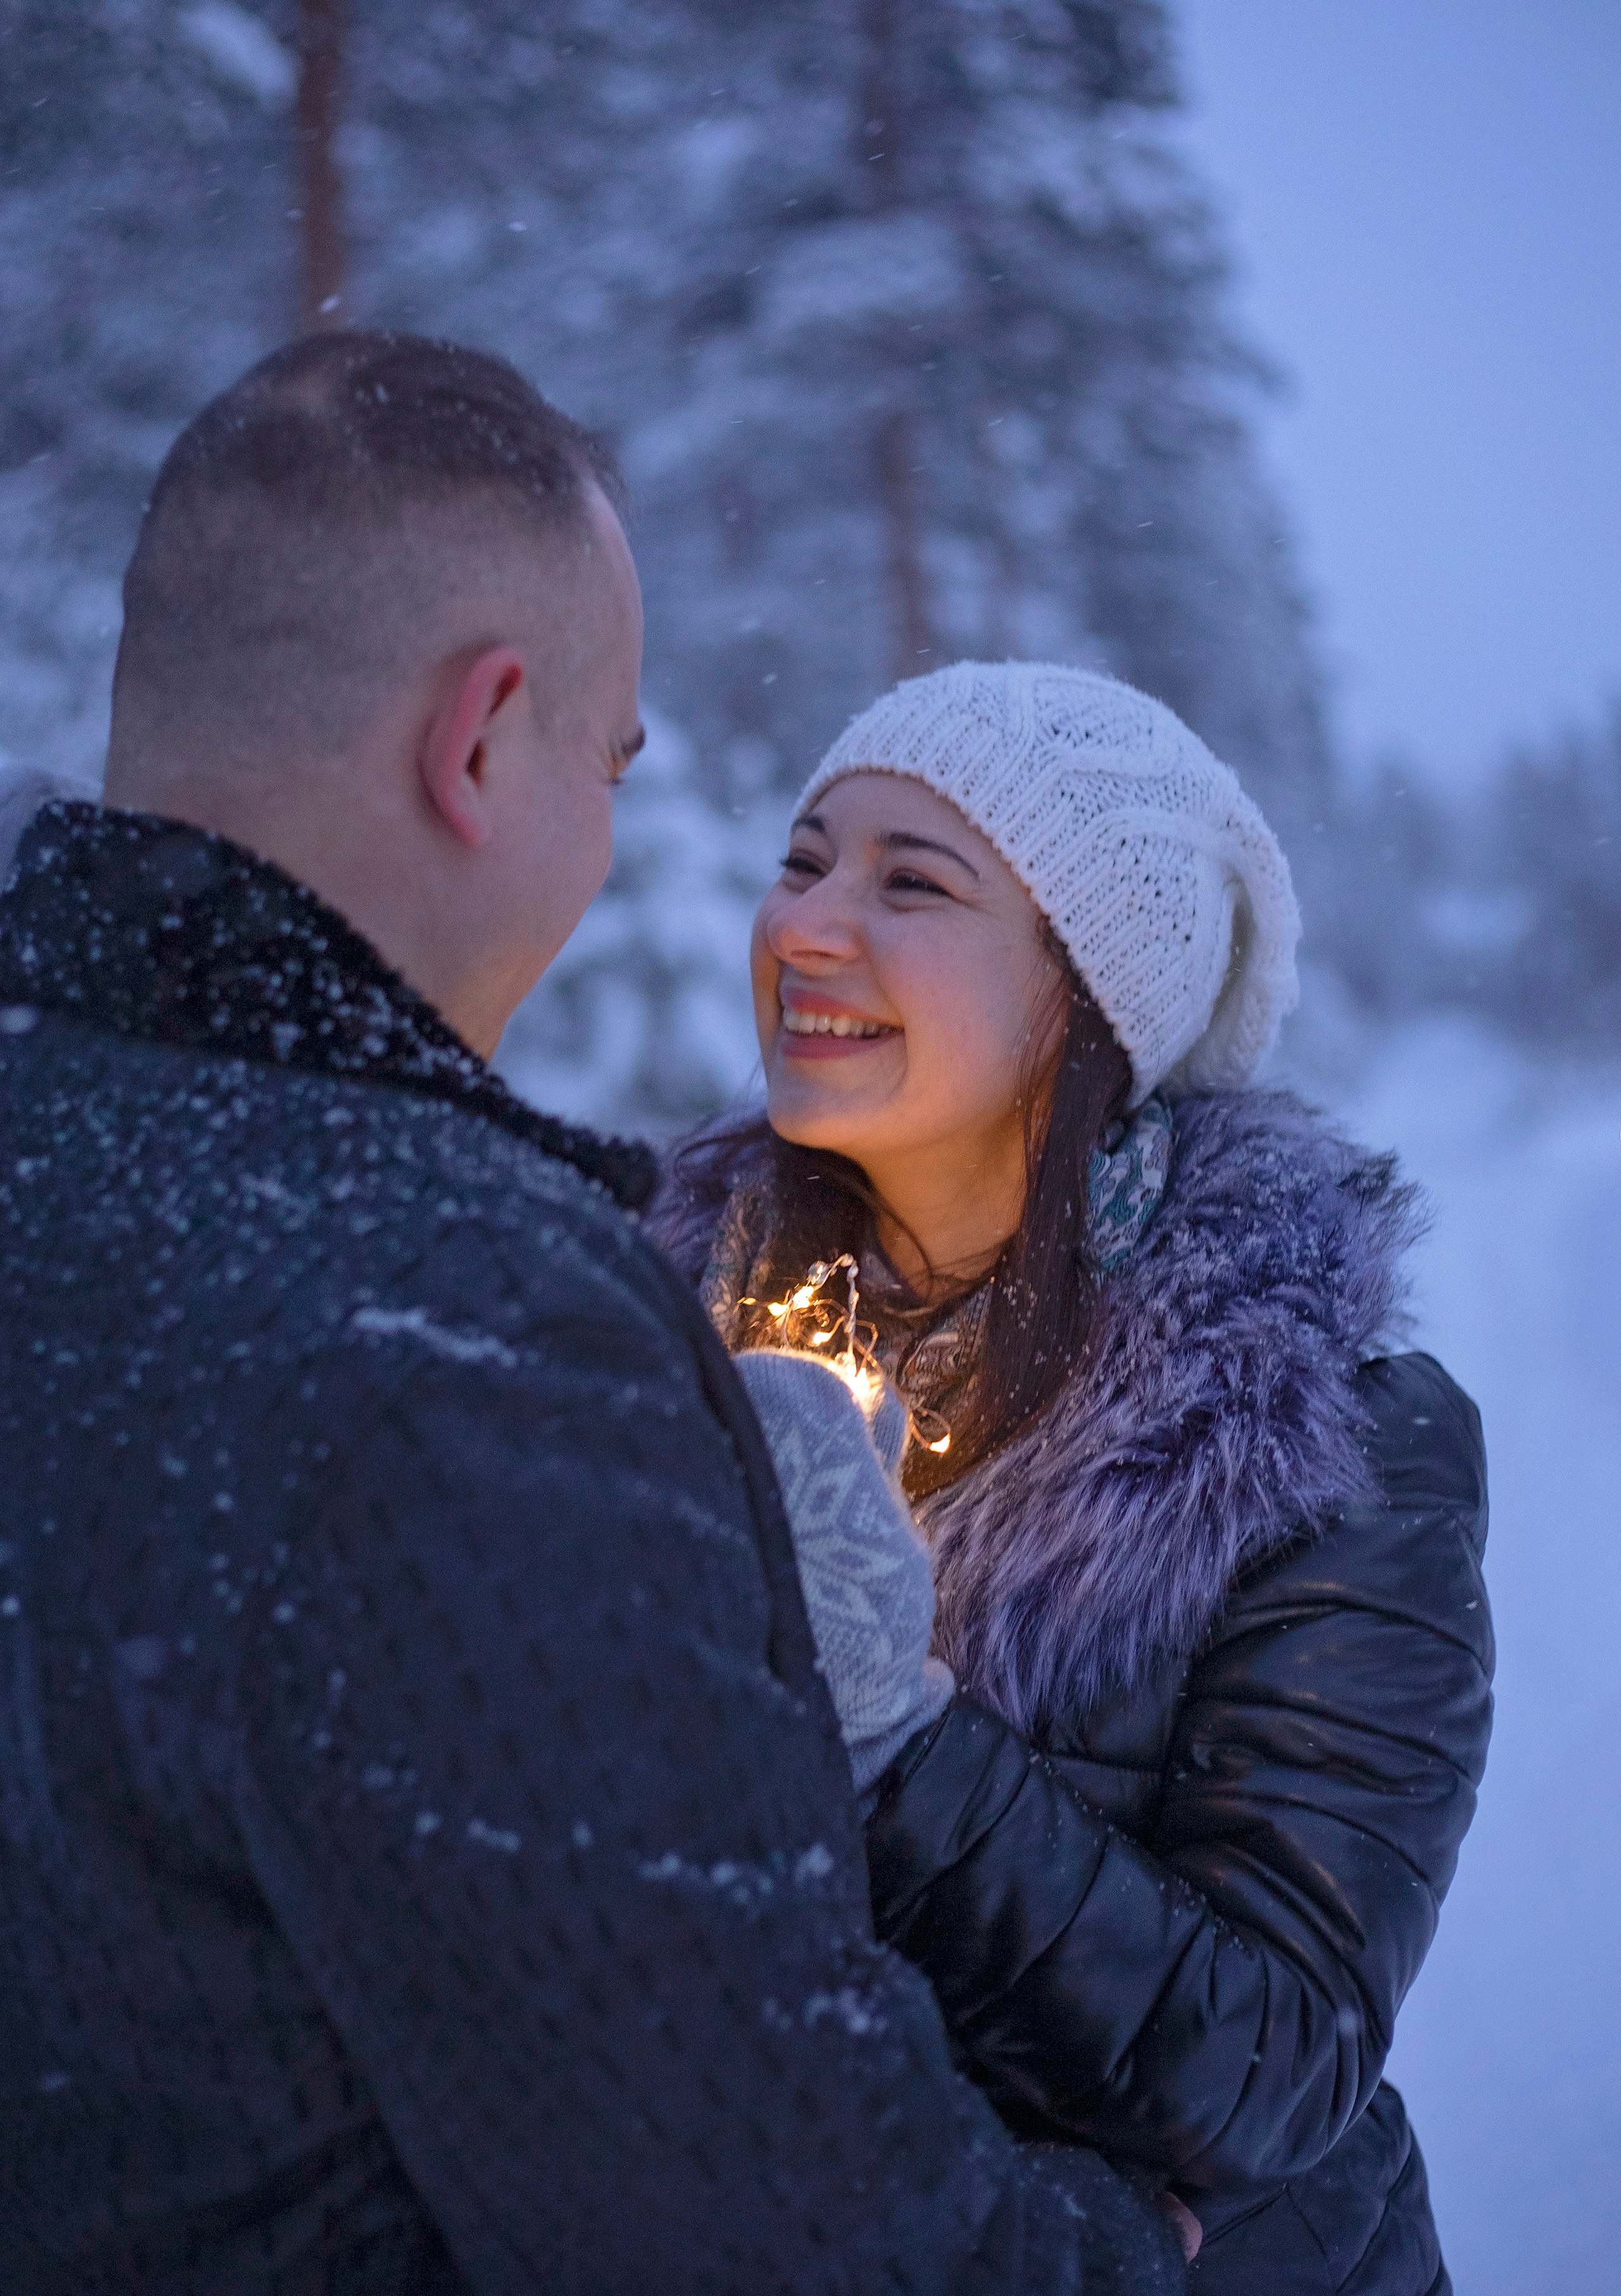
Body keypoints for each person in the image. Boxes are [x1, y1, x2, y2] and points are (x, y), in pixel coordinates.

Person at [0, 337, 1187, 2293]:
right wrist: (1124, 2246)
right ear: (480, 744)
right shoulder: (458, 1337)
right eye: (612, 759)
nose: (804, 922)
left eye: (917, 882)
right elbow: (765, 2217)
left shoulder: (99, 1165)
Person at [652, 660, 1494, 2296]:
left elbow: (1263, 2065)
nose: (810, 922)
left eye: (914, 881)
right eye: (805, 856)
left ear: (1089, 994)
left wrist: (890, 1730)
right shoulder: (647, 1338)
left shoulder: (1326, 1449)